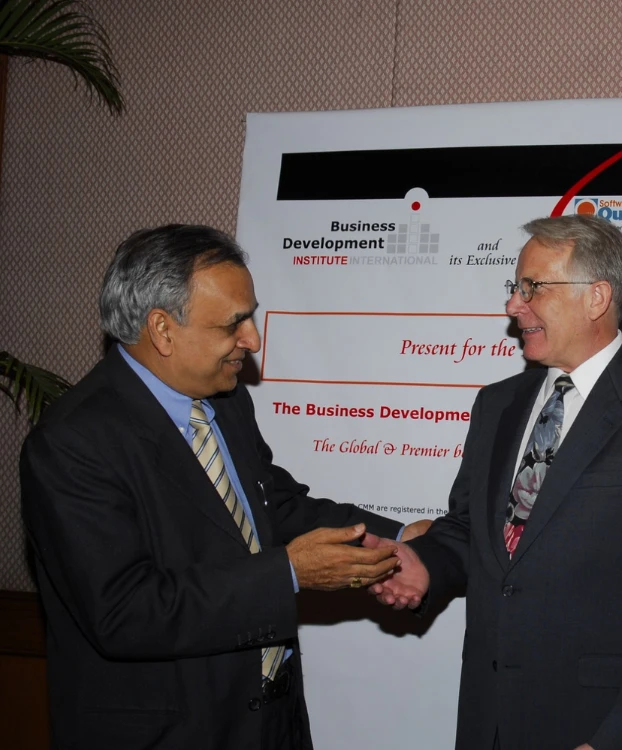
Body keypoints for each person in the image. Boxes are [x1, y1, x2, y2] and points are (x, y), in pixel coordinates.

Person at [20, 224, 425, 750]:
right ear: (162, 329)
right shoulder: (73, 443)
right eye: (234, 322)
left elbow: (272, 506)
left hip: (269, 723)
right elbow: (125, 613)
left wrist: (399, 535)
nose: (253, 339)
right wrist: (288, 574)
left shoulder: (226, 402)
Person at [367, 214, 622, 750]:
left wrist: (615, 742)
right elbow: (473, 531)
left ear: (596, 297)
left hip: (596, 728)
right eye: (515, 287)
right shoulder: (497, 404)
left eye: (532, 287)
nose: (513, 305)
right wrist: (428, 565)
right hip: (490, 722)